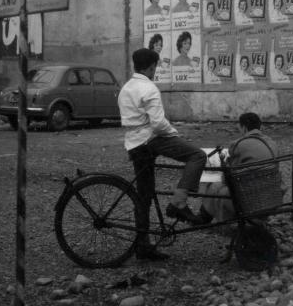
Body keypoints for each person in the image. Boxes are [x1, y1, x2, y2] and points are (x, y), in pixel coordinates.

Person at [118, 48, 207, 260]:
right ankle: (178, 203)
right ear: (151, 67)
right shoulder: (149, 88)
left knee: (144, 196)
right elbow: (158, 124)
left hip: (134, 144)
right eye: (155, 67)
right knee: (197, 156)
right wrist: (173, 132)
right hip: (151, 140)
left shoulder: (126, 88)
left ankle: (143, 246)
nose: (155, 71)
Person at [199, 112, 280, 224]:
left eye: (239, 129)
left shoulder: (238, 144)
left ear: (244, 128)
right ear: (259, 126)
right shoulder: (272, 143)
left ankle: (203, 218)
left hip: (248, 199)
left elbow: (230, 176)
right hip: (271, 196)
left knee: (213, 186)